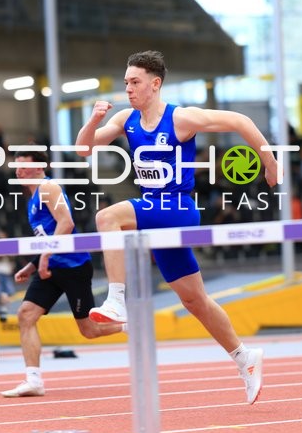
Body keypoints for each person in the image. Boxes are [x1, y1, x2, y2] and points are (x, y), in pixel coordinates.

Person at [74, 50, 278, 405]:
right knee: (194, 299)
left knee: (107, 217)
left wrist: (269, 162)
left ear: (155, 84)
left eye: (135, 82)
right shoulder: (126, 119)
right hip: (155, 215)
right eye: (125, 83)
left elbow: (241, 121)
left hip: (178, 208)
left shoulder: (181, 119)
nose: (128, 89)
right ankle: (244, 357)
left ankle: (116, 300)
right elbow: (82, 149)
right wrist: (93, 120)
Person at [1, 149, 125, 398]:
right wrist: (33, 264)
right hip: (50, 266)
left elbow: (66, 223)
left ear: (39, 167)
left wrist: (45, 255)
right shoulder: (32, 197)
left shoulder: (49, 188)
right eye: (17, 166)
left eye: (24, 166)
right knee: (25, 315)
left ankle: (128, 325)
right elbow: (47, 234)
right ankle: (33, 380)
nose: (18, 171)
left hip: (72, 266)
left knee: (88, 330)